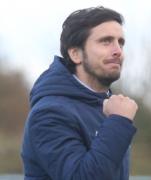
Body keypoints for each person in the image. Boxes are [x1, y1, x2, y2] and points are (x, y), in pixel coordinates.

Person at [21, 6, 138, 180]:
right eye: (106, 41)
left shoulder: (109, 109)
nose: (118, 51)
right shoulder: (49, 113)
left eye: (120, 42)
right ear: (76, 54)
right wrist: (118, 122)